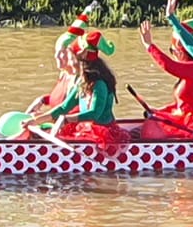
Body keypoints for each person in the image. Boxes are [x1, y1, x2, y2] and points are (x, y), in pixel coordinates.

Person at [25, 29, 126, 159]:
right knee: (48, 130)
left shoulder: (99, 84)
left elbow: (95, 113)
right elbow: (64, 107)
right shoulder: (81, 81)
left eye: (72, 57)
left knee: (62, 130)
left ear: (82, 58)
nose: (69, 60)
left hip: (103, 134)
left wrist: (67, 119)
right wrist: (34, 121)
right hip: (85, 129)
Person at [139, 0, 193, 135]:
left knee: (150, 127)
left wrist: (149, 46)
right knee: (153, 120)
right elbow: (182, 105)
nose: (173, 53)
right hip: (184, 116)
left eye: (173, 50)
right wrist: (160, 111)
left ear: (180, 48)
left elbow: (169, 65)